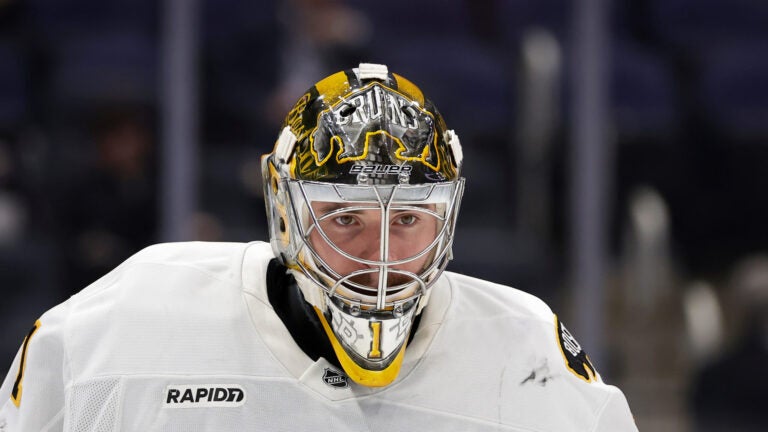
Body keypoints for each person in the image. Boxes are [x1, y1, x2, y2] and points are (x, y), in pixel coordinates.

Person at [0, 63, 637, 431]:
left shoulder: (528, 354)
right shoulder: (131, 319)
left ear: (448, 219)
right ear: (286, 213)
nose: (380, 255)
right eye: (345, 218)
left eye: (408, 218)